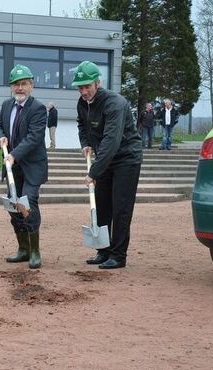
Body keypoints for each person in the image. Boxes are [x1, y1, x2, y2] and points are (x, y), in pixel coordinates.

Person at [72, 61, 143, 269]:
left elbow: (112, 141)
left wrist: (93, 172)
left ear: (97, 83)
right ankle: (103, 250)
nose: (84, 91)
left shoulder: (115, 103)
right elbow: (81, 125)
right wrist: (85, 144)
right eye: (80, 87)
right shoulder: (82, 103)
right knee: (102, 205)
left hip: (126, 158)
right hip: (104, 157)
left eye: (87, 86)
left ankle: (118, 255)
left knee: (120, 207)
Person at [0, 64, 48, 269]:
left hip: (32, 166)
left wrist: (14, 155)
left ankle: (35, 252)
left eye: (24, 84)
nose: (20, 88)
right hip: (12, 168)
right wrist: (1, 138)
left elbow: (34, 137)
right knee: (13, 205)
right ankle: (23, 249)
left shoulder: (38, 109)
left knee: (28, 202)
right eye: (16, 84)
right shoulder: (6, 105)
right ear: (11, 87)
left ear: (31, 86)